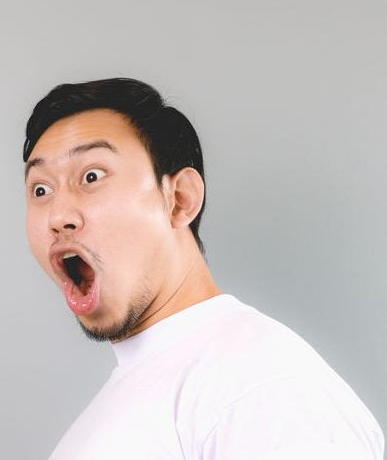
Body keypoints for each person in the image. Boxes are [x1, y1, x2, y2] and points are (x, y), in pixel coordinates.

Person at [23, 77, 384, 459]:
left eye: (92, 176)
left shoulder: (260, 384)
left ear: (180, 199)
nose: (57, 216)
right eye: (41, 189)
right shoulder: (155, 386)